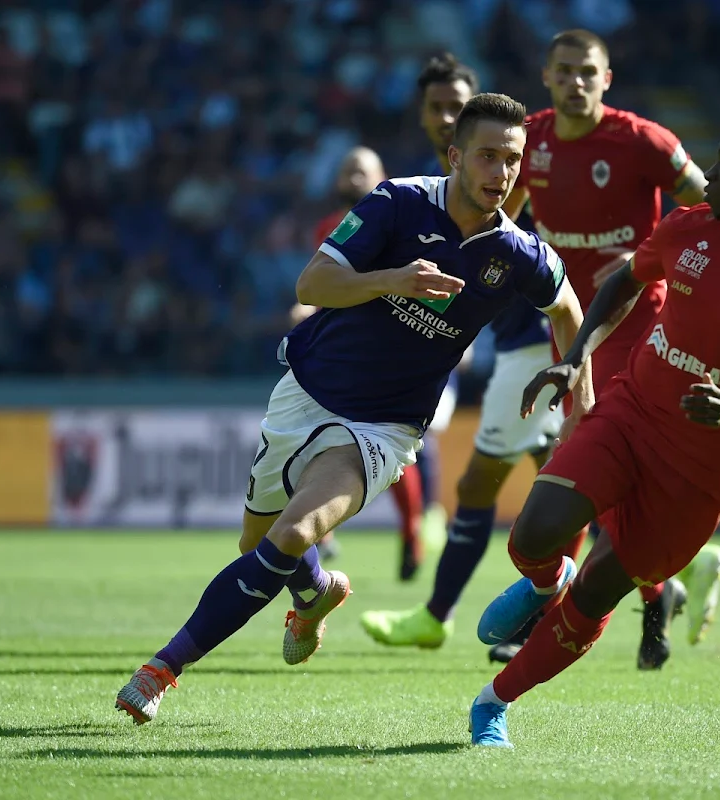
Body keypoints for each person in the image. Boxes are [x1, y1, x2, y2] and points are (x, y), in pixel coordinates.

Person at [114, 93, 593, 725]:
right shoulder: (398, 202)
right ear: (454, 156)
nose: (499, 172)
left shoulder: (517, 253)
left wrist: (574, 375)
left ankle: (161, 668)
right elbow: (311, 285)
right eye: (486, 156)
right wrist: (390, 280)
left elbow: (567, 309)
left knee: (292, 533)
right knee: (256, 543)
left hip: (385, 428)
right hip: (308, 391)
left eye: (511, 159)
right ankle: (312, 595)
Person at [467, 111, 720, 747]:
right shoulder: (688, 227)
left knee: (598, 591)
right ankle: (543, 579)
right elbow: (624, 285)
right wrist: (577, 354)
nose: (710, 171)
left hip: (700, 465)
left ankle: (492, 703)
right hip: (631, 409)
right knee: (533, 534)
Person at [503, 28, 720, 668]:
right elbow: (507, 214)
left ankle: (559, 608)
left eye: (588, 71)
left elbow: (713, 209)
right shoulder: (533, 140)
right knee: (576, 463)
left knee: (588, 463)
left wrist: (651, 255)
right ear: (546, 76)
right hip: (570, 326)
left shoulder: (642, 142)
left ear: (608, 79)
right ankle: (655, 590)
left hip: (641, 328)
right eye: (564, 70)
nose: (576, 81)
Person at [360, 56, 567, 663]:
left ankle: (445, 614)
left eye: (458, 105)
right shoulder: (430, 189)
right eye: (436, 108)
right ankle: (658, 574)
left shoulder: (497, 176)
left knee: (488, 483)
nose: (446, 117)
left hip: (529, 347)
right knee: (563, 477)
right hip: (508, 347)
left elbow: (529, 260)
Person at [294, 146, 427, 572]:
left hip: (390, 353)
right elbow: (325, 283)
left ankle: (411, 531)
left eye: (361, 172)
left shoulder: (404, 222)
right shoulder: (326, 228)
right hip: (340, 350)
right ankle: (323, 531)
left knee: (386, 448)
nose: (353, 180)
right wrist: (308, 310)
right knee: (316, 437)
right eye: (347, 172)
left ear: (382, 176)